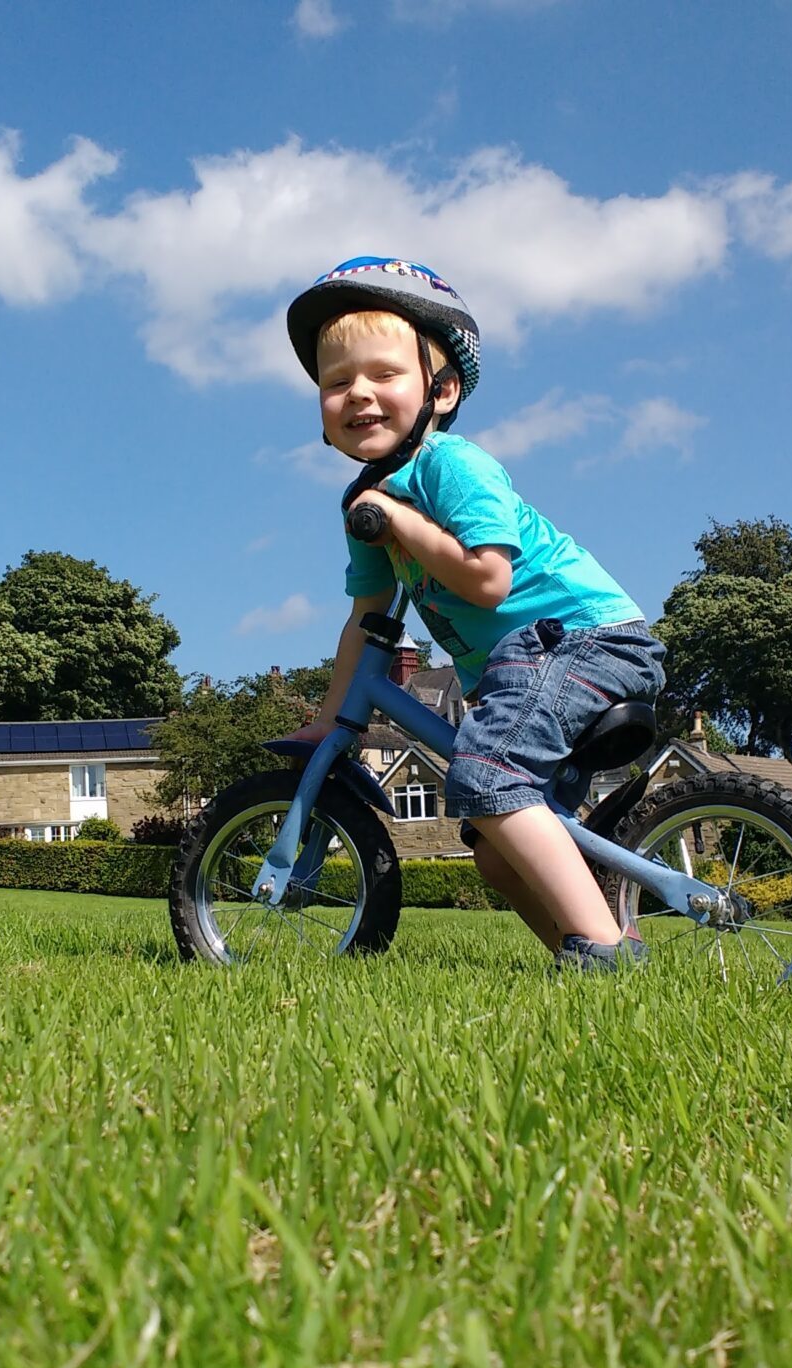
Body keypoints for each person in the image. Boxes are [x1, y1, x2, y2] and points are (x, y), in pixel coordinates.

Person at [278, 257, 666, 973]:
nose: (358, 393)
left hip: (584, 640)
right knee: (494, 848)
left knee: (486, 777)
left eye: (384, 375)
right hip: (526, 663)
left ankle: (606, 952)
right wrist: (332, 718)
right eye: (336, 383)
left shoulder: (451, 467)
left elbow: (488, 581)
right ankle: (589, 969)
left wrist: (394, 517)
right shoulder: (369, 502)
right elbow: (368, 620)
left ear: (443, 390)